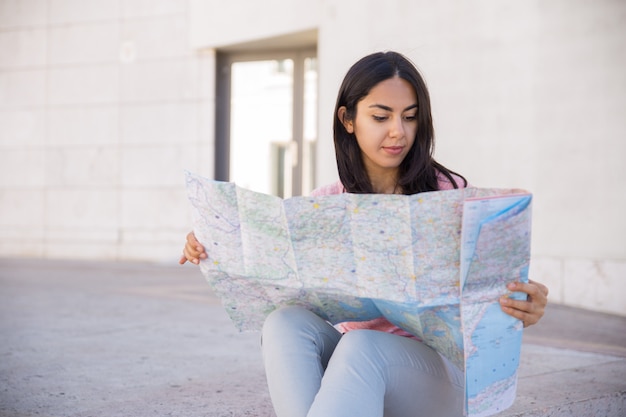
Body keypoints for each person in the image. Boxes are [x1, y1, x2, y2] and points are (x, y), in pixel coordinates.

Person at [179, 51, 549, 417]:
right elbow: (282, 284)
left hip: (436, 375)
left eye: (410, 117)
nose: (398, 132)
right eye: (380, 116)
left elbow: (488, 290)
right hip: (356, 366)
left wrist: (523, 304)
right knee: (283, 322)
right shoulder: (325, 203)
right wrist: (212, 244)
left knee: (361, 345)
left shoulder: (449, 194)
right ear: (348, 119)